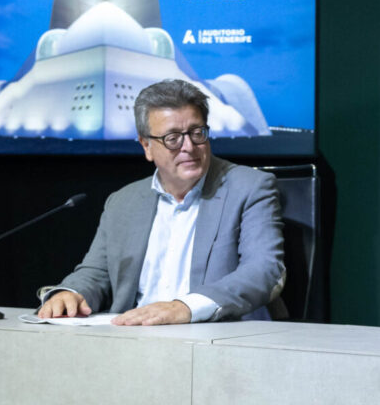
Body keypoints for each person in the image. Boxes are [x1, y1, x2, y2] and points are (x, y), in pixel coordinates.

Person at [37, 79, 285, 325]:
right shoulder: (123, 201)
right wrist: (68, 293)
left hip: (217, 337)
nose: (188, 146)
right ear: (146, 146)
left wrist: (185, 307)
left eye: (197, 133)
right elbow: (97, 272)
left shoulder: (250, 187)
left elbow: (263, 270)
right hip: (134, 338)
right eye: (173, 138)